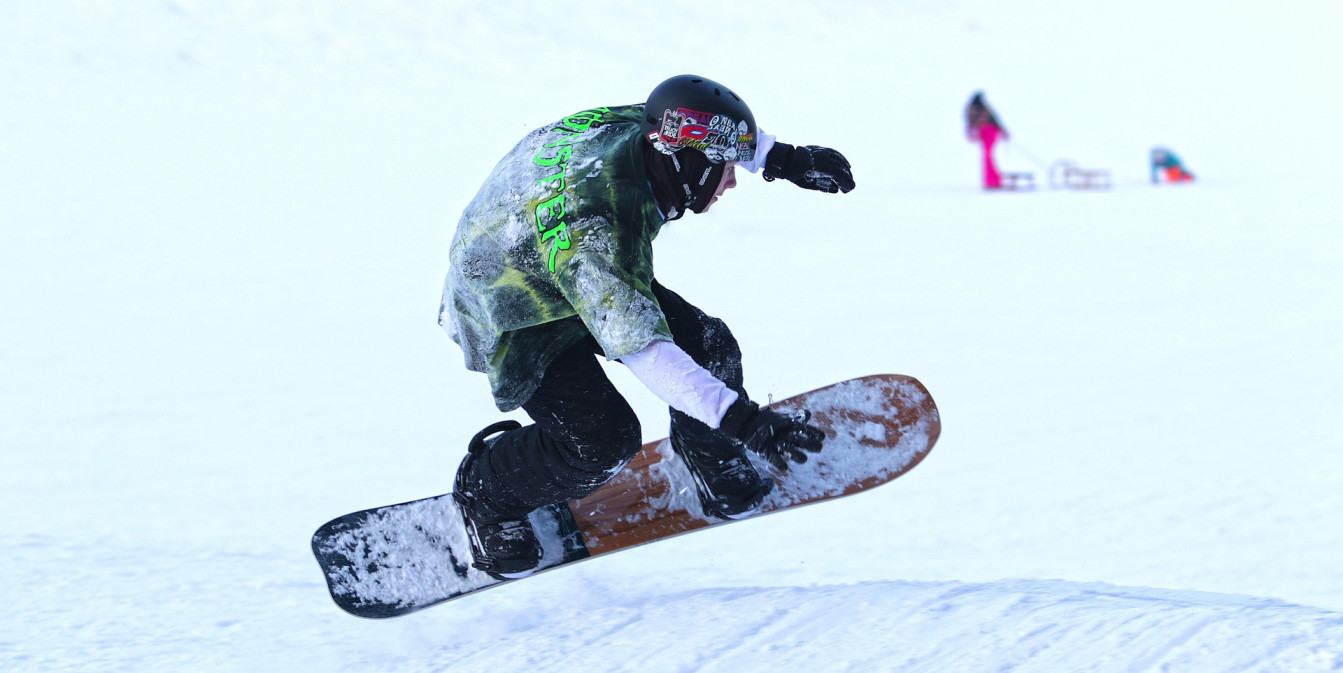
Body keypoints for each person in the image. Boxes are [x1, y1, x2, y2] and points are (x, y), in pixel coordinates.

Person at [437, 75, 856, 579]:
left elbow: (703, 127)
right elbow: (646, 350)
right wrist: (743, 422)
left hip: (552, 254)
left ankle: (706, 451)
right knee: (602, 442)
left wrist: (782, 158)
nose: (731, 181)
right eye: (726, 168)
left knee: (709, 347)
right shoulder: (600, 229)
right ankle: (489, 491)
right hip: (511, 307)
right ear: (688, 163)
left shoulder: (652, 130)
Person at [964, 91, 1008, 190]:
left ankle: (993, 180)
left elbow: (995, 120)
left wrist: (1003, 131)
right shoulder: (977, 109)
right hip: (985, 131)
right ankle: (991, 180)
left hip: (989, 131)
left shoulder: (977, 109)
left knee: (987, 155)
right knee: (987, 156)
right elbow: (970, 123)